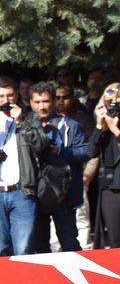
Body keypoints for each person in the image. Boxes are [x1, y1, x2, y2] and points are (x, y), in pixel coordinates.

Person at [0, 76, 48, 256]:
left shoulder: (29, 117)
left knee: (23, 250)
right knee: (1, 249)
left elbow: (40, 144)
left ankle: (25, 283)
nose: (6, 100)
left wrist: (20, 120)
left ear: (17, 96)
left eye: (10, 95)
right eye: (1, 96)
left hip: (21, 192)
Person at [29, 82, 88, 253]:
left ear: (54, 101)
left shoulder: (71, 125)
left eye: (46, 101)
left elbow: (85, 152)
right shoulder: (24, 126)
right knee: (40, 247)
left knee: (69, 243)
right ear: (31, 103)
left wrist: (62, 151)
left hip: (63, 194)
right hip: (35, 194)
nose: (42, 106)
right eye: (38, 102)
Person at [55, 84, 97, 250]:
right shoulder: (47, 121)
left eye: (64, 97)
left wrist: (87, 175)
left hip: (77, 177)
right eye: (57, 97)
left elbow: (91, 149)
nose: (60, 101)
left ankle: (86, 254)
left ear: (72, 99)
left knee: (80, 218)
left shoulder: (81, 119)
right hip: (52, 182)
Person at [88, 83, 120, 248]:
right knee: (114, 238)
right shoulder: (105, 129)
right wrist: (100, 127)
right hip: (110, 187)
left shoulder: (114, 129)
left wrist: (117, 131)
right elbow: (91, 152)